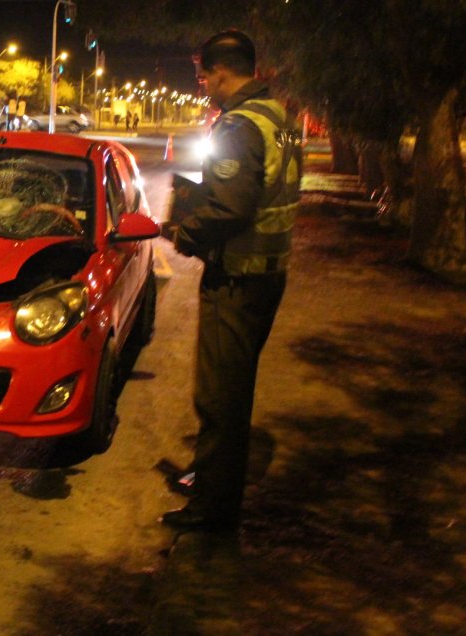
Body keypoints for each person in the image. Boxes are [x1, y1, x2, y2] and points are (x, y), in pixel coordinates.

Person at [159, 30, 302, 533]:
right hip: (269, 272)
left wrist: (183, 231)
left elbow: (233, 204)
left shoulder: (238, 125)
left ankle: (212, 511)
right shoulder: (278, 116)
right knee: (232, 390)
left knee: (220, 397)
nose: (203, 88)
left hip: (237, 280)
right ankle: (207, 477)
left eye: (203, 78)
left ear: (222, 71)